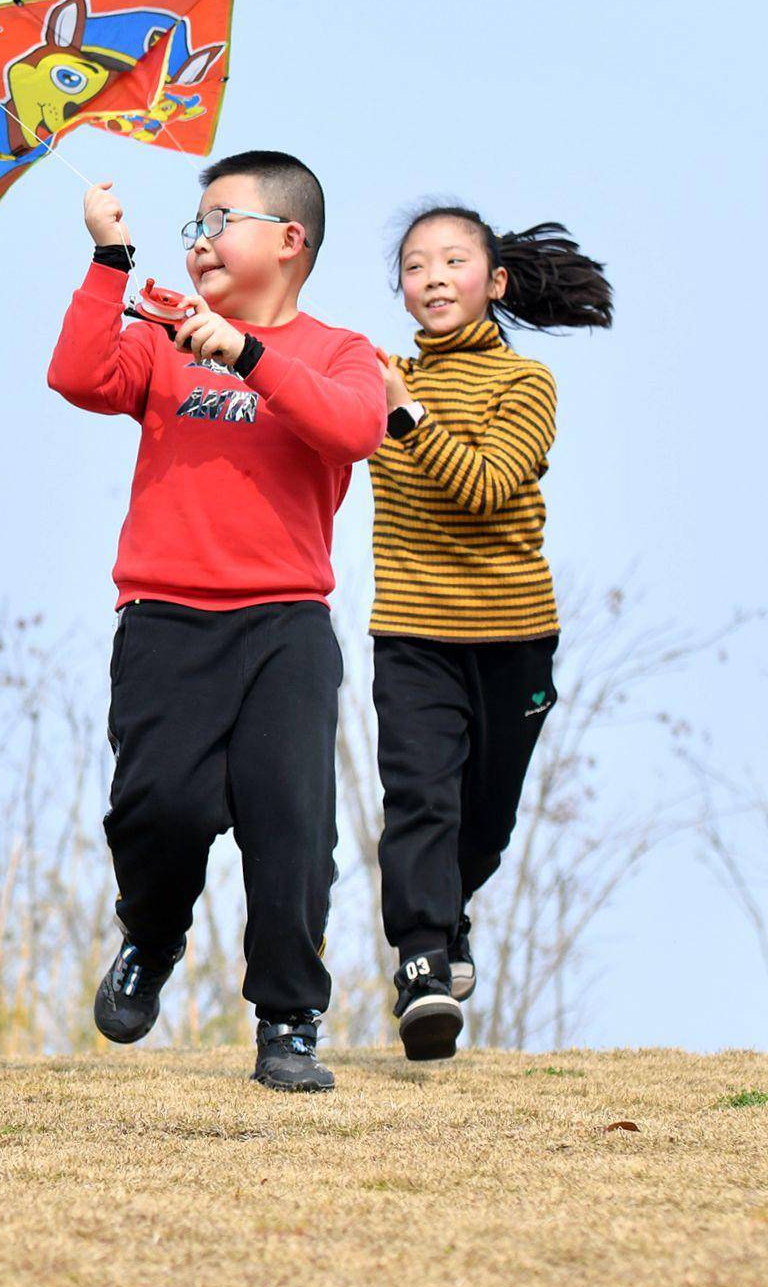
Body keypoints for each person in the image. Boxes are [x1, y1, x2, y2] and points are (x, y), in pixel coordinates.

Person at [49, 152, 383, 1092]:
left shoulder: (340, 350)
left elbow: (353, 429)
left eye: (218, 221)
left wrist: (244, 354)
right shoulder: (161, 337)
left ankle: (288, 1018)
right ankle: (151, 935)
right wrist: (111, 260)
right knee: (161, 807)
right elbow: (75, 374)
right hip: (164, 619)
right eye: (190, 228)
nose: (197, 243)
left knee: (291, 823)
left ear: (289, 239)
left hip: (285, 623)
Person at [366, 207, 611, 1060]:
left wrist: (405, 415)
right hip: (411, 631)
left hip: (512, 638)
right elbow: (286, 387)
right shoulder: (381, 374)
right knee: (420, 799)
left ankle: (449, 913)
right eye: (414, 265)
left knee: (484, 821)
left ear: (494, 281)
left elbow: (486, 489)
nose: (431, 277)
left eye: (453, 260)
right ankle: (423, 962)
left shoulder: (527, 383)